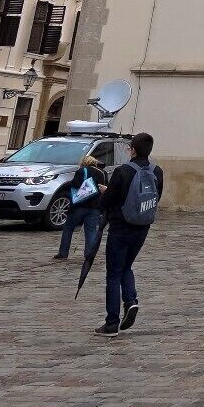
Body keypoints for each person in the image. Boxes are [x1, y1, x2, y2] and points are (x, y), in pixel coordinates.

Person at [97, 133, 163, 338]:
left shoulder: (123, 171)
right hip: (142, 227)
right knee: (126, 266)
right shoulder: (157, 171)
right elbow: (157, 196)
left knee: (113, 273)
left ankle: (111, 322)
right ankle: (131, 301)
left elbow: (107, 201)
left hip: (120, 226)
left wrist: (104, 193)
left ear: (133, 150)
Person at [56, 152, 110, 264]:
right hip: (95, 207)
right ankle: (89, 255)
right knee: (90, 231)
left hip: (79, 205)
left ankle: (63, 253)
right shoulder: (103, 173)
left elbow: (75, 185)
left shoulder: (81, 171)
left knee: (68, 228)